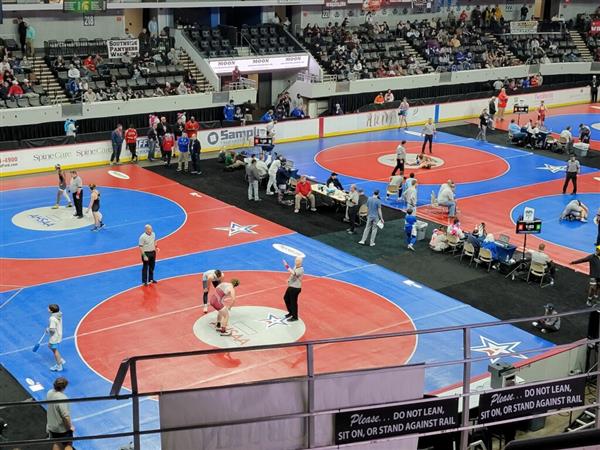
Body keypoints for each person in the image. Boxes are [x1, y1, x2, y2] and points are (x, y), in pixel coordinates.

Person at [46, 377, 75, 450]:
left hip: (51, 426)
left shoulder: (49, 392)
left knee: (57, 443)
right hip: (62, 429)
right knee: (68, 444)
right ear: (64, 387)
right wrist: (70, 427)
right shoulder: (63, 398)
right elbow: (65, 416)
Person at [283, 257, 304, 322]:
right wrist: (289, 280)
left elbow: (293, 273)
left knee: (293, 302)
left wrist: (286, 266)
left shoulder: (300, 269)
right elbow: (292, 275)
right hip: (291, 286)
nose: (295, 262)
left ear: (300, 262)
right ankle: (291, 312)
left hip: (295, 288)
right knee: (286, 298)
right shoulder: (296, 266)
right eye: (295, 260)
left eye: (297, 261)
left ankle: (295, 317)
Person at [47, 304, 65, 372]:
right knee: (49, 346)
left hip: (54, 337)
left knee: (55, 350)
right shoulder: (59, 313)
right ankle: (60, 359)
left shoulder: (52, 318)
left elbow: (52, 330)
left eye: (48, 308)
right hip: (59, 334)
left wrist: (48, 329)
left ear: (51, 311)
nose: (47, 309)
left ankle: (59, 365)